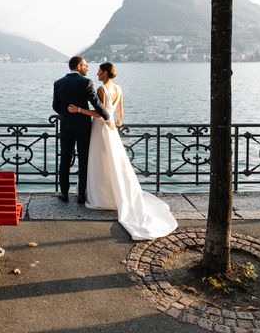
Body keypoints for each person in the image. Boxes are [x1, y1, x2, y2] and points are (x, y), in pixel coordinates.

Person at [68, 62, 178, 240]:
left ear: (104, 73)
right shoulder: (119, 89)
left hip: (100, 128)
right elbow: (120, 112)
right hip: (112, 130)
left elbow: (99, 113)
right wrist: (116, 124)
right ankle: (115, 193)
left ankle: (101, 196)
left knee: (99, 161)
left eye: (99, 70)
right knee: (114, 162)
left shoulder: (101, 90)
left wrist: (78, 110)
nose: (96, 73)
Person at [53, 56, 112, 203]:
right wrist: (108, 118)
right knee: (83, 160)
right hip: (83, 128)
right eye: (85, 65)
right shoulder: (86, 82)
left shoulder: (58, 83)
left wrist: (66, 114)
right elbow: (96, 104)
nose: (88, 68)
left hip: (66, 127)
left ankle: (64, 194)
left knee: (65, 159)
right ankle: (81, 195)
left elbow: (55, 106)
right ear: (79, 66)